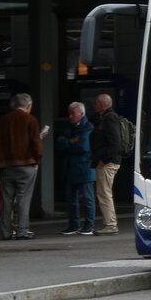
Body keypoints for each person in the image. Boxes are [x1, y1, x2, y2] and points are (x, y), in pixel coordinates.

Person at [0, 93, 42, 241]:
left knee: (6, 200)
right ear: (29, 106)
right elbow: (36, 144)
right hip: (26, 165)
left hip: (6, 166)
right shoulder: (30, 120)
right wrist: (36, 160)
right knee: (23, 199)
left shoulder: (3, 120)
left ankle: (6, 232)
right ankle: (22, 230)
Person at [55, 102, 96, 236]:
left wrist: (67, 143)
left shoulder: (88, 127)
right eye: (70, 113)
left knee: (87, 198)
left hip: (85, 167)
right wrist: (71, 142)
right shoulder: (69, 128)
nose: (70, 116)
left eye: (73, 113)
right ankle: (74, 225)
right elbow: (58, 144)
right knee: (72, 198)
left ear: (81, 114)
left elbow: (83, 147)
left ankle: (89, 225)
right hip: (72, 168)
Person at [90, 93, 123, 235]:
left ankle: (111, 224)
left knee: (104, 193)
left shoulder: (109, 118)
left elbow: (115, 143)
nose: (94, 105)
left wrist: (104, 159)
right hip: (107, 161)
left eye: (96, 102)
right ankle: (109, 223)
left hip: (108, 162)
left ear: (102, 104)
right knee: (103, 192)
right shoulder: (105, 117)